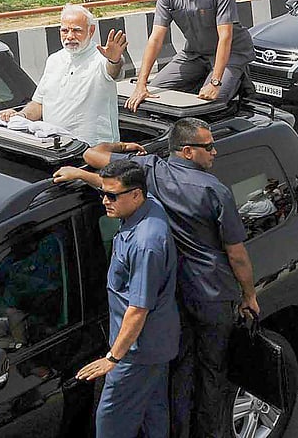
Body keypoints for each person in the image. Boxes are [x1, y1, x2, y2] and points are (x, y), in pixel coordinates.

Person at [54, 117, 260, 438]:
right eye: (209, 147)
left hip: (176, 295)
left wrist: (90, 168)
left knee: (180, 373)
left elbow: (94, 156)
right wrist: (249, 295)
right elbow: (236, 253)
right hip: (211, 294)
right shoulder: (215, 190)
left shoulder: (151, 170)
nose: (215, 152)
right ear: (188, 151)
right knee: (212, 375)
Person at [75, 159, 178, 438]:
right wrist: (81, 174)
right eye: (102, 194)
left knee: (111, 423)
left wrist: (112, 358)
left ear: (136, 195)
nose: (104, 201)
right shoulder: (146, 203)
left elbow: (138, 309)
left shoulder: (146, 244)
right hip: (156, 344)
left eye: (111, 196)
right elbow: (114, 186)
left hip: (136, 351)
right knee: (152, 413)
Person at [126, 0, 254, 111]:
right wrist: (141, 84)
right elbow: (155, 38)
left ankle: (236, 82)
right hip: (194, 54)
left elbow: (226, 36)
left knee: (210, 103)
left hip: (231, 53)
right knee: (156, 91)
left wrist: (216, 82)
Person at [0, 3, 126, 145]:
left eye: (77, 30)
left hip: (95, 149)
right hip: (58, 147)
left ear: (91, 30)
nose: (70, 36)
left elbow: (113, 72)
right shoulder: (54, 60)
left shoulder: (101, 58)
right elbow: (39, 103)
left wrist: (114, 60)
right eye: (65, 30)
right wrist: (20, 116)